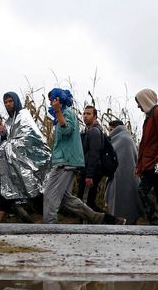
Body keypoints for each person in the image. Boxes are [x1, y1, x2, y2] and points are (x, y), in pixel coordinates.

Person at [42, 88, 124, 225]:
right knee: (66, 198)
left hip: (65, 162)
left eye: (53, 99)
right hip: (65, 161)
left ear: (59, 99)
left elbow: (67, 130)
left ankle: (49, 223)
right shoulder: (63, 116)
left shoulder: (67, 114)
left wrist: (57, 111)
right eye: (50, 100)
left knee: (50, 193)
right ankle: (100, 218)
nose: (51, 102)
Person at [0, 91, 50, 220]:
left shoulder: (23, 116)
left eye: (10, 101)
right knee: (21, 193)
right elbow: (9, 139)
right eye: (5, 102)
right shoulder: (10, 121)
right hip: (17, 164)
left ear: (16, 101)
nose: (8, 104)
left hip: (31, 161)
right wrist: (4, 135)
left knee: (36, 192)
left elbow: (29, 137)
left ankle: (49, 217)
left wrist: (8, 143)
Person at [134, 88, 158, 224]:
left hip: (156, 163)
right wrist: (140, 166)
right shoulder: (152, 116)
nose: (138, 106)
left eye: (139, 102)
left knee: (142, 190)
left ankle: (155, 220)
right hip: (154, 162)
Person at [105, 120, 142, 224]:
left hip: (120, 177)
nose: (110, 132)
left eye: (111, 130)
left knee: (119, 203)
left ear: (116, 129)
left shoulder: (122, 139)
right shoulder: (128, 138)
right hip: (129, 178)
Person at [79, 105, 105, 210]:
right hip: (88, 170)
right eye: (84, 113)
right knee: (88, 201)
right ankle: (108, 221)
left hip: (92, 171)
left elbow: (94, 154)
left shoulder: (94, 131)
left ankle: (109, 221)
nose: (85, 116)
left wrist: (89, 175)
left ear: (95, 117)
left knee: (85, 201)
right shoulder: (88, 131)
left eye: (88, 114)